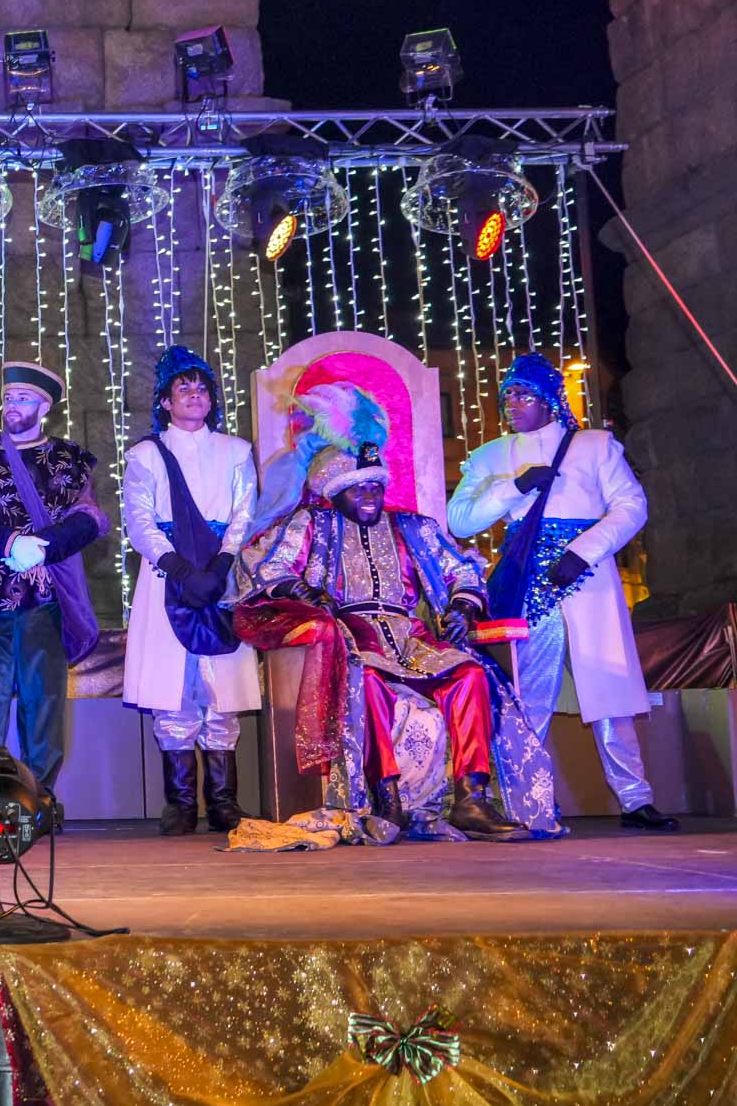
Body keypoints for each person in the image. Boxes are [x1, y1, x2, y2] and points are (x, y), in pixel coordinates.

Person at [240, 442, 560, 841]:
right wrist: (302, 591)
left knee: (470, 674)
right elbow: (263, 563)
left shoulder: (413, 527)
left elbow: (463, 569)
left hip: (409, 634)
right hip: (349, 631)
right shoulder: (312, 523)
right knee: (367, 679)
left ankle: (471, 798)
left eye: (376, 487)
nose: (370, 496)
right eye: (358, 488)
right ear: (335, 492)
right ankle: (385, 795)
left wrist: (462, 607)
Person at [447, 352, 677, 830]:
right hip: (527, 585)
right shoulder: (491, 455)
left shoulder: (594, 446)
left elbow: (631, 505)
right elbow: (460, 520)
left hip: (589, 581)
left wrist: (583, 551)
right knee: (529, 694)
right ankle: (526, 803)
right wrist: (513, 488)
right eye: (507, 395)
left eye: (523, 394)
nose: (512, 403)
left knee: (608, 689)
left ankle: (635, 799)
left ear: (550, 399)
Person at [0, 361, 108, 790]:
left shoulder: (69, 461)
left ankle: (41, 797)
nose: (12, 404)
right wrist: (10, 543)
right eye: (9, 397)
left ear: (44, 406)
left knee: (44, 699)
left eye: (23, 398)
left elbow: (89, 517)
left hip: (47, 597)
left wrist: (44, 545)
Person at [121, 348, 261, 835]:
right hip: (167, 576)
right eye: (184, 388)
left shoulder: (236, 451)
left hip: (222, 576)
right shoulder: (144, 456)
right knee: (173, 689)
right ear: (165, 400)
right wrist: (179, 568)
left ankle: (223, 802)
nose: (195, 395)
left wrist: (222, 563)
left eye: (202, 388)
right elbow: (139, 521)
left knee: (222, 688)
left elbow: (245, 513)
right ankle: (180, 803)